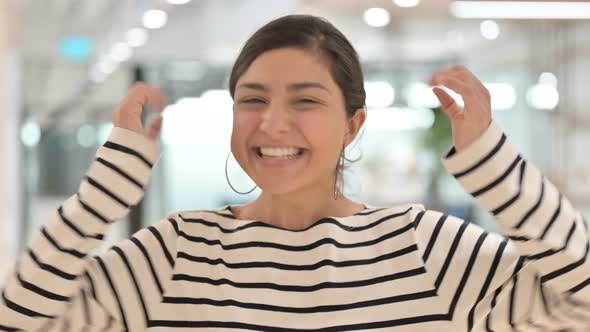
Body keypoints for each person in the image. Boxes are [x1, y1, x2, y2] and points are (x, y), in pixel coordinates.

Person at [1, 14, 589, 332]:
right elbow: (20, 316)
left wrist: (493, 166)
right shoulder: (174, 252)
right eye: (252, 100)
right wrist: (107, 192)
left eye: (305, 101)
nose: (272, 124)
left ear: (353, 125)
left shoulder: (427, 249)